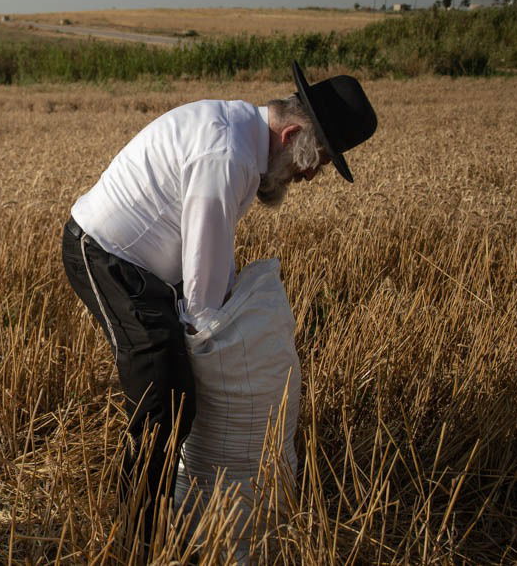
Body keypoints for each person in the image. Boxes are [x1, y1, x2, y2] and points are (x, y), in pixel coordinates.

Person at [60, 62, 378, 541]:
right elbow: (203, 275)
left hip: (142, 268)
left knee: (172, 392)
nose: (310, 177)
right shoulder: (226, 154)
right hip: (107, 257)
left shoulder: (240, 140)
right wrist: (219, 342)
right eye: (315, 162)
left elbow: (210, 254)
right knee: (166, 395)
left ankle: (165, 516)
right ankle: (139, 535)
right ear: (291, 133)